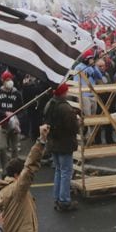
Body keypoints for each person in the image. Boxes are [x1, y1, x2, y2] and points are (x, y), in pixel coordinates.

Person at [0, 125, 49, 232]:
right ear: (16, 175)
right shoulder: (16, 190)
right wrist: (41, 140)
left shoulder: (1, 192)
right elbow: (30, 167)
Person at [43, 83, 80, 211]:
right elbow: (73, 127)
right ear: (64, 92)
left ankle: (57, 198)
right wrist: (78, 120)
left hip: (53, 142)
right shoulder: (65, 107)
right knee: (65, 172)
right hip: (64, 143)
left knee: (59, 170)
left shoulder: (49, 104)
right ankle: (64, 200)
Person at [0, 71, 23, 173]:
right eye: (7, 80)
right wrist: (5, 113)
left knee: (15, 149)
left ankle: (14, 170)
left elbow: (22, 110)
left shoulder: (17, 94)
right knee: (2, 148)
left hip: (14, 125)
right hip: (2, 125)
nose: (9, 82)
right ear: (3, 81)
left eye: (10, 80)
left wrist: (17, 119)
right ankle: (5, 169)